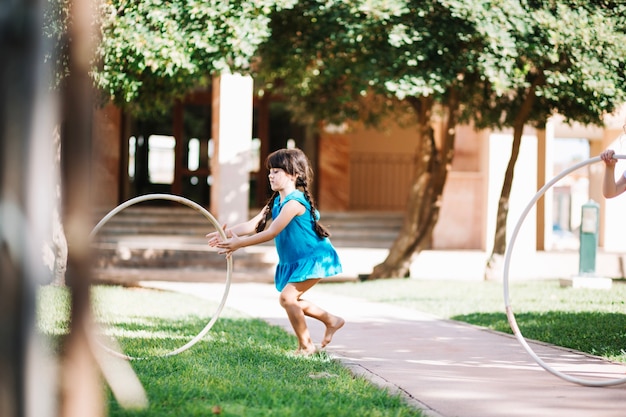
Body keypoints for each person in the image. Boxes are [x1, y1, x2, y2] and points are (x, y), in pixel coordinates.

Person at [206, 148, 345, 355]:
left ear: (294, 175)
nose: (271, 175)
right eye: (270, 171)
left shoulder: (295, 203)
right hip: (297, 259)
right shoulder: (277, 201)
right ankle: (331, 320)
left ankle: (307, 346)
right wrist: (225, 235)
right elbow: (254, 225)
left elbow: (271, 232)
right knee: (291, 300)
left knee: (287, 299)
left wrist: (239, 245)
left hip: (314, 258)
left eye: (277, 171)